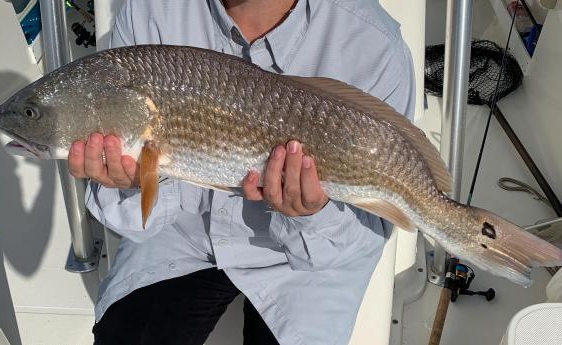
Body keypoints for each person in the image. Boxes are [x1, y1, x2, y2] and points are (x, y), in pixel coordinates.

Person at [68, 0, 415, 344]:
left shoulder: (375, 44)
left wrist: (312, 215)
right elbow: (137, 222)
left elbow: (368, 228)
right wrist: (131, 182)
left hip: (307, 265)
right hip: (180, 235)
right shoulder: (149, 10)